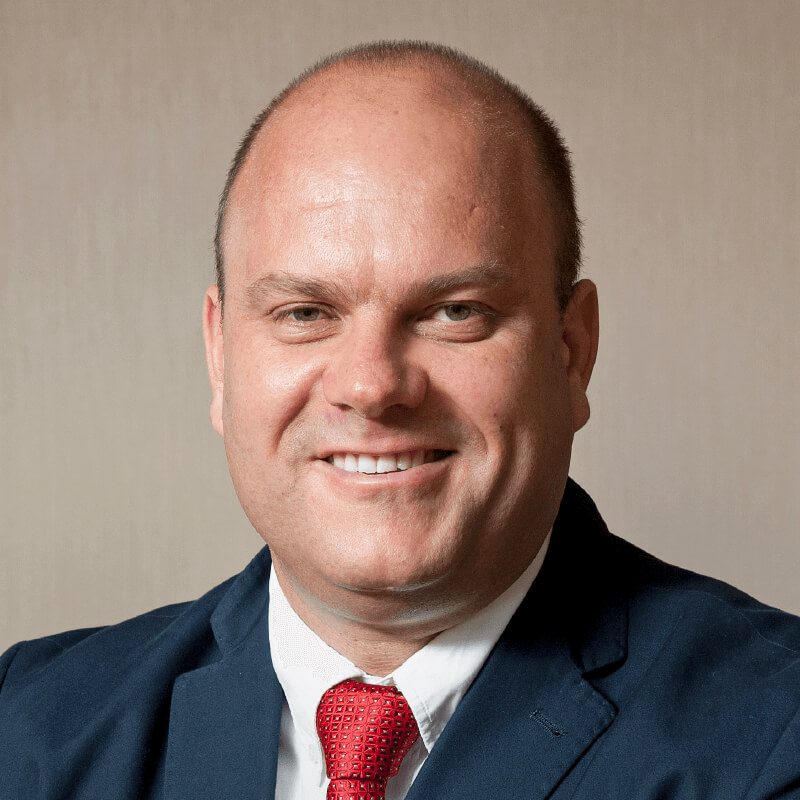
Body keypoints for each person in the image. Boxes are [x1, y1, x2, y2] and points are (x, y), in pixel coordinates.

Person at [1, 40, 798, 800]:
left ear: (571, 350)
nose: (372, 386)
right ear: (220, 357)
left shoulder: (775, 736)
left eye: (456, 312)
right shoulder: (28, 730)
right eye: (306, 312)